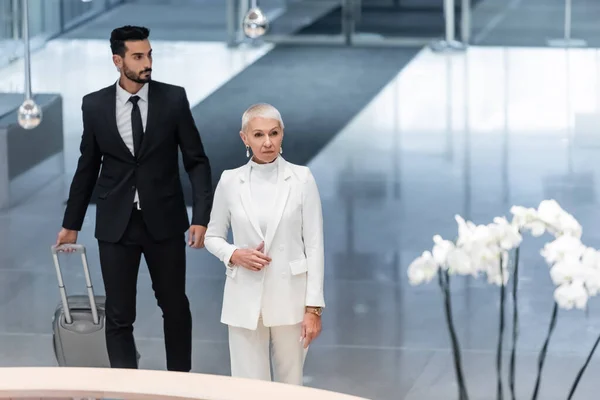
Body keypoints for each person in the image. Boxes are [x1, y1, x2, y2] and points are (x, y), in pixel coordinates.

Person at [55, 25, 213, 372]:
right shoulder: (94, 105)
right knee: (119, 314)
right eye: (138, 56)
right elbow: (87, 167)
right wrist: (71, 224)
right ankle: (127, 388)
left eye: (150, 54)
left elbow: (196, 161)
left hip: (165, 222)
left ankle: (179, 386)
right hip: (116, 226)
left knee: (174, 307)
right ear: (118, 60)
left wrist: (201, 216)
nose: (147, 63)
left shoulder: (173, 99)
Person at [204, 103, 325, 385]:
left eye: (274, 133)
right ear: (244, 138)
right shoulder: (230, 181)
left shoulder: (301, 179)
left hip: (291, 298)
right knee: (248, 387)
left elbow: (316, 246)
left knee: (289, 385)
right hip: (244, 296)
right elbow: (212, 237)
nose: (267, 142)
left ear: (283, 134)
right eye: (258, 135)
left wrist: (313, 308)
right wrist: (235, 254)